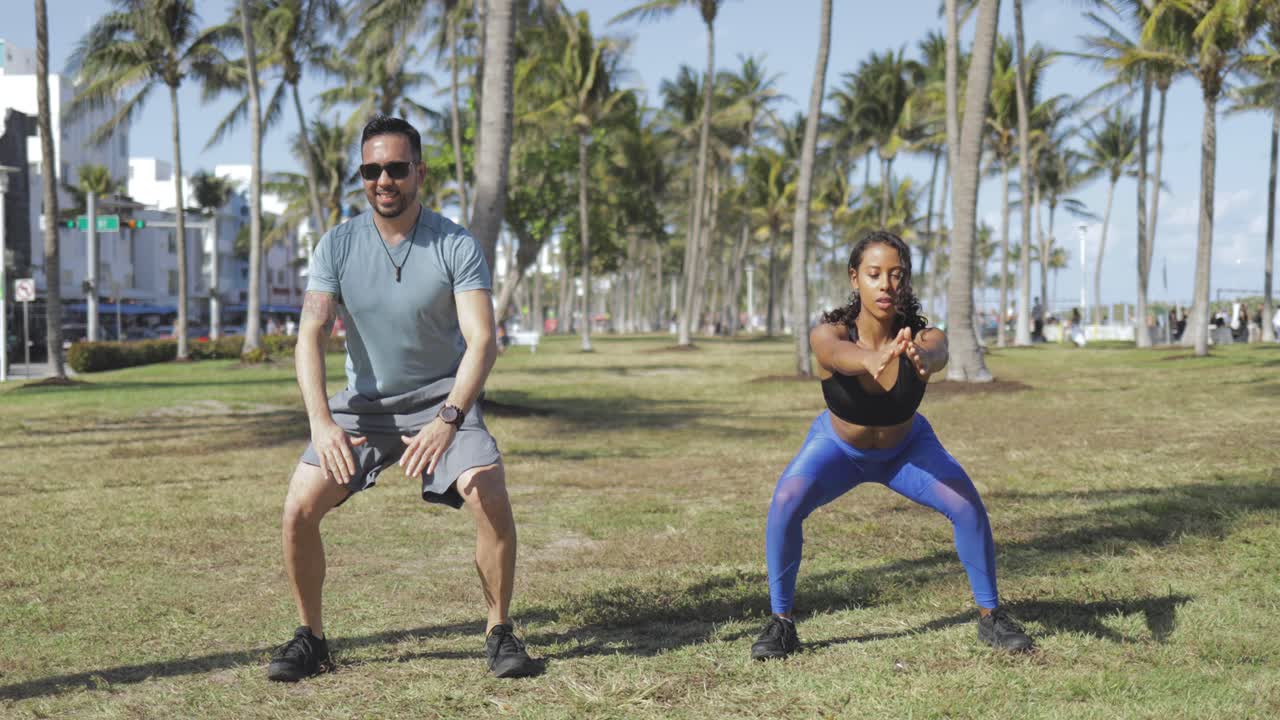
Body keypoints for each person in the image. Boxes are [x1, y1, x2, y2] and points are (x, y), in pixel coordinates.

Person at [267, 115, 541, 682]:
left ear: (419, 171)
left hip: (443, 400)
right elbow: (309, 335)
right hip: (364, 407)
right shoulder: (337, 245)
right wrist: (321, 422)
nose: (383, 180)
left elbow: (483, 340)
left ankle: (499, 631)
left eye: (395, 168)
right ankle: (311, 639)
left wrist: (448, 419)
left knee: (488, 488)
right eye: (371, 170)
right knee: (298, 509)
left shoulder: (455, 243)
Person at [750, 231, 1032, 661]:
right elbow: (836, 354)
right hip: (838, 450)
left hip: (906, 451)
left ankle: (991, 617)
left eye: (896, 275)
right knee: (786, 500)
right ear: (855, 278)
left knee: (967, 505)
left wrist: (921, 358)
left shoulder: (921, 336)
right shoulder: (829, 333)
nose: (886, 284)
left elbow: (938, 353)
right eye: (875, 274)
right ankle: (782, 623)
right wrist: (870, 359)